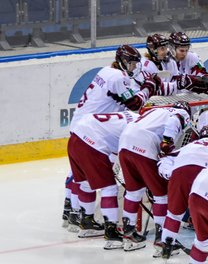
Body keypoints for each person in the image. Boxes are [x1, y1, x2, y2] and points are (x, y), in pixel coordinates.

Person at [62, 44, 162, 232]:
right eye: (131, 63)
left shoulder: (107, 71)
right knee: (96, 181)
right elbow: (134, 103)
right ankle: (80, 214)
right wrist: (149, 87)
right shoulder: (117, 77)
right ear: (123, 62)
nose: (133, 67)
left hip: (83, 125)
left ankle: (73, 212)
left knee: (80, 176)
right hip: (92, 131)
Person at [117, 102, 192, 252]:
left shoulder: (156, 111)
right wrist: (167, 142)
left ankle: (129, 234)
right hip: (144, 144)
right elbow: (175, 120)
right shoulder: (180, 112)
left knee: (133, 191)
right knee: (162, 194)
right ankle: (162, 240)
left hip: (124, 143)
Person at [156, 124, 208, 260]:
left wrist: (169, 174)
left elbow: (164, 158)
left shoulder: (188, 145)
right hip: (205, 174)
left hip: (179, 173)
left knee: (173, 215)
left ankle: (167, 245)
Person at [67, 111, 137, 246]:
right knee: (109, 187)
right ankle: (111, 233)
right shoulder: (139, 129)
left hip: (75, 138)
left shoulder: (133, 117)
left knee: (86, 184)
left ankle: (86, 223)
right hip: (91, 142)